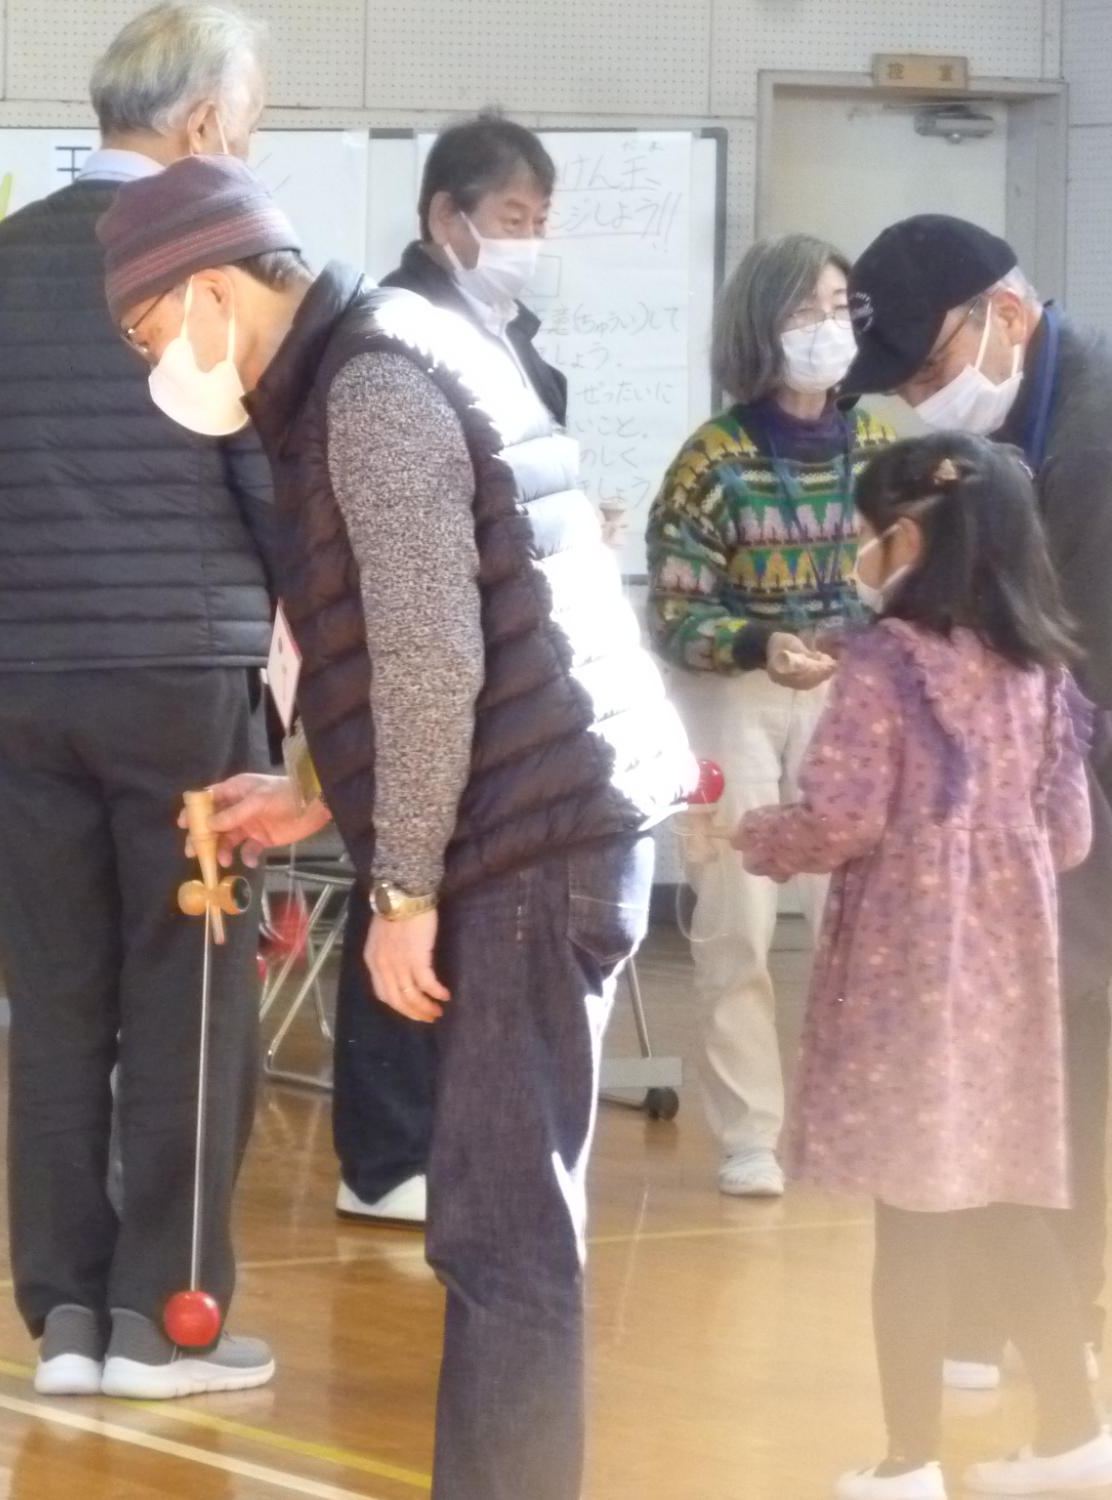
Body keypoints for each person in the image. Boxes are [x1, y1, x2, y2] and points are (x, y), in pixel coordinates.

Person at [99, 154, 689, 1500]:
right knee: (500, 1224)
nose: (154, 365)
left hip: (531, 841)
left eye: (148, 331)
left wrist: (401, 887)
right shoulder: (392, 346)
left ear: (213, 291)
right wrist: (321, 789)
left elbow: (432, 656)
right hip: (554, 810)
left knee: (501, 1236)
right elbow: (434, 619)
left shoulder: (365, 389)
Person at [0, 2, 277, 1401]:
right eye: (250, 116)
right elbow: (266, 482)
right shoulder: (216, 260)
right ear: (204, 120)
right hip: (182, 678)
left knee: (58, 994)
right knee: (191, 993)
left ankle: (66, 1317)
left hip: (21, 682)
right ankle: (165, 1320)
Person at [735, 433, 1108, 1500]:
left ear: (908, 538)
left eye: (868, 533)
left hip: (910, 970)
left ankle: (907, 1461)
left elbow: (842, 817)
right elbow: (1070, 833)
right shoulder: (1042, 669)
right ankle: (1075, 1434)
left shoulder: (885, 664)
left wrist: (751, 837)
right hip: (1011, 971)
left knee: (909, 1214)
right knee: (1002, 1198)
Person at [846, 216, 1112, 1385]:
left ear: (1003, 313)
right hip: (1053, 789)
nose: (919, 399)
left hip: (1081, 787)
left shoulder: (1092, 438)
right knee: (1032, 1055)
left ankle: (1049, 1331)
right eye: (902, 384)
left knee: (1067, 1055)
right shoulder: (1012, 425)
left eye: (926, 369)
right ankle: (1006, 1324)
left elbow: (1074, 657)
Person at [323, 111, 570, 1229]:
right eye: (511, 217)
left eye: (540, 220)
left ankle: (461, 1139)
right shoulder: (394, 347)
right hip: (416, 658)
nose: (528, 241)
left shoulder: (523, 348)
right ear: (444, 216)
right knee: (403, 882)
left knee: (466, 904)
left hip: (508, 675)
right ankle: (384, 1154)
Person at [646, 234, 896, 1198]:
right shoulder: (712, 460)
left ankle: (858, 1117)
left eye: (839, 308)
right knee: (737, 923)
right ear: (761, 327)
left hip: (850, 697)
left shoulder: (879, 448)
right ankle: (751, 1134)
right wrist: (761, 645)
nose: (827, 328)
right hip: (737, 696)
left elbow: (909, 577)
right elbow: (677, 612)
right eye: (804, 311)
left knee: (856, 919)